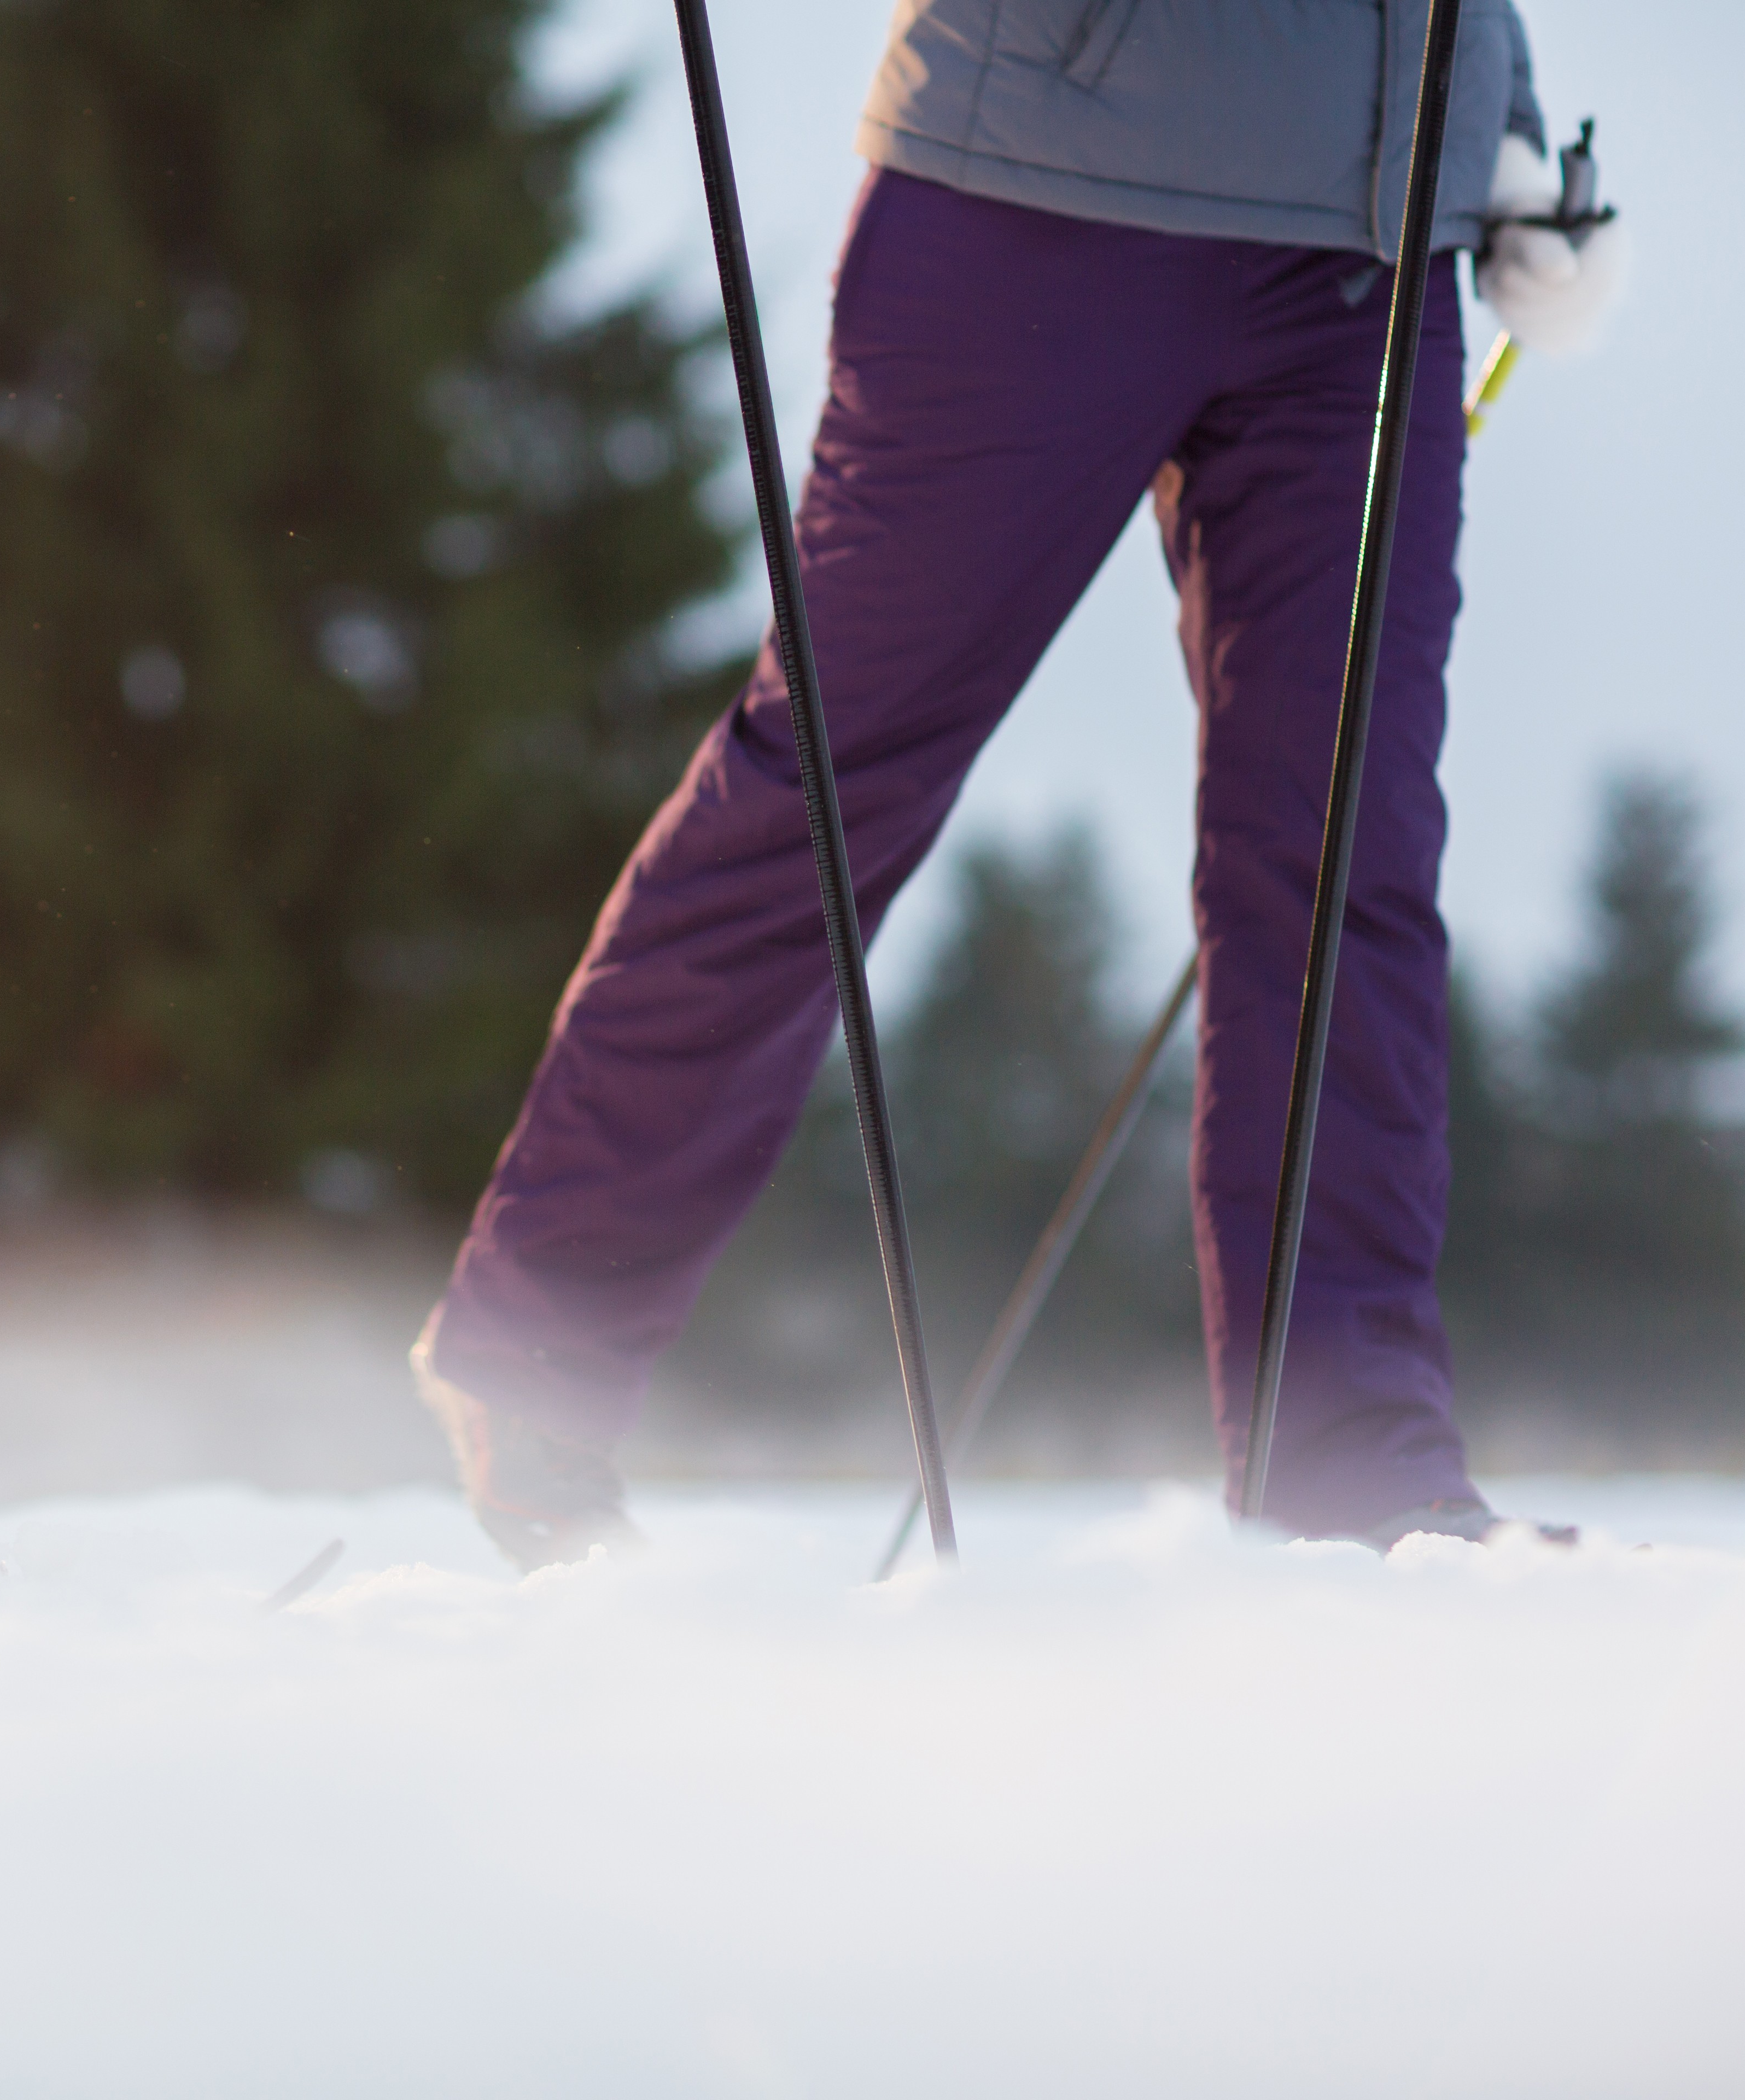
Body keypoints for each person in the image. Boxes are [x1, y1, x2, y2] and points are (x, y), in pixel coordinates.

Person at [413, 0, 1626, 1566]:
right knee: (834, 787)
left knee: (1344, 854)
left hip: (1377, 253)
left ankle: (1354, 1457)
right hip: (1041, 189)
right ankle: (538, 1342)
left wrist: (1502, 120)